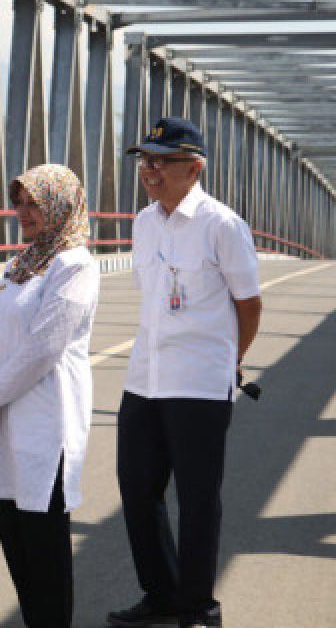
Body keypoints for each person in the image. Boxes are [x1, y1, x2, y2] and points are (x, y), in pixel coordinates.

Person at [108, 117, 261, 628]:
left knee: (197, 500)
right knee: (136, 489)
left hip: (198, 384)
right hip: (144, 380)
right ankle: (161, 593)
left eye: (161, 161)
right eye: (144, 161)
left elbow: (249, 304)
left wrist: (227, 362)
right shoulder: (144, 222)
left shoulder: (221, 224)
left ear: (193, 168)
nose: (149, 171)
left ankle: (198, 606)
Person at [0, 164, 100, 628]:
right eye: (19, 201)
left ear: (61, 205)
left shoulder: (74, 264)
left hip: (44, 420)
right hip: (2, 419)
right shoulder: (25, 262)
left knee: (43, 542)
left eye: (35, 202)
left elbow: (43, 347)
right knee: (15, 537)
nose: (24, 211)